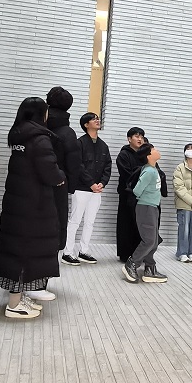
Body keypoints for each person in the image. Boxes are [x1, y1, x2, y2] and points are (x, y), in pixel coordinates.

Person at [0, 97, 67, 318]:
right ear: (41, 114)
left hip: (17, 202)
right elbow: (49, 170)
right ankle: (14, 305)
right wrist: (61, 177)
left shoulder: (18, 135)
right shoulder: (40, 138)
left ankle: (18, 297)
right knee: (26, 250)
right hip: (34, 204)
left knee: (16, 247)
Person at [41, 87, 80, 292]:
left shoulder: (38, 126)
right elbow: (74, 163)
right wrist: (70, 186)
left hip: (35, 186)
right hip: (58, 187)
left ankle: (25, 280)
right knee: (54, 231)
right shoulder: (67, 132)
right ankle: (42, 280)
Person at [62, 112, 111, 266]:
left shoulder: (103, 145)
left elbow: (108, 166)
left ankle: (84, 251)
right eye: (93, 119)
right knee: (75, 221)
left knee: (90, 222)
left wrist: (102, 183)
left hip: (96, 190)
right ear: (86, 124)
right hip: (82, 188)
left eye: (98, 118)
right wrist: (91, 183)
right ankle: (67, 253)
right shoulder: (80, 143)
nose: (97, 120)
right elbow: (78, 166)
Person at [122, 143, 167, 284]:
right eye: (154, 149)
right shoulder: (149, 172)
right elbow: (137, 190)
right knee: (149, 240)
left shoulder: (153, 169)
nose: (157, 150)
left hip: (152, 207)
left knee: (154, 241)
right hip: (146, 208)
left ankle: (149, 268)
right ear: (148, 156)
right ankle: (132, 263)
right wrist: (147, 198)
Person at [115, 127, 146, 261]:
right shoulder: (123, 155)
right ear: (129, 139)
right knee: (126, 224)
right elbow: (126, 174)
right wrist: (141, 181)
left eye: (142, 137)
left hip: (143, 196)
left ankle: (139, 254)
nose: (140, 139)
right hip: (127, 195)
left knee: (140, 224)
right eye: (137, 136)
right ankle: (125, 254)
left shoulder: (145, 155)